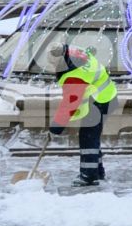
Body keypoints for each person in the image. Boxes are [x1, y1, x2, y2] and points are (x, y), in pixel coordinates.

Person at [49, 44, 118, 188]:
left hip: (100, 100)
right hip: (106, 96)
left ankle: (89, 176)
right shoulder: (77, 54)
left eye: (54, 64)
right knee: (91, 136)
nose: (53, 68)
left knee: (88, 138)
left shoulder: (75, 75)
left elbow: (70, 104)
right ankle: (97, 171)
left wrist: (57, 126)